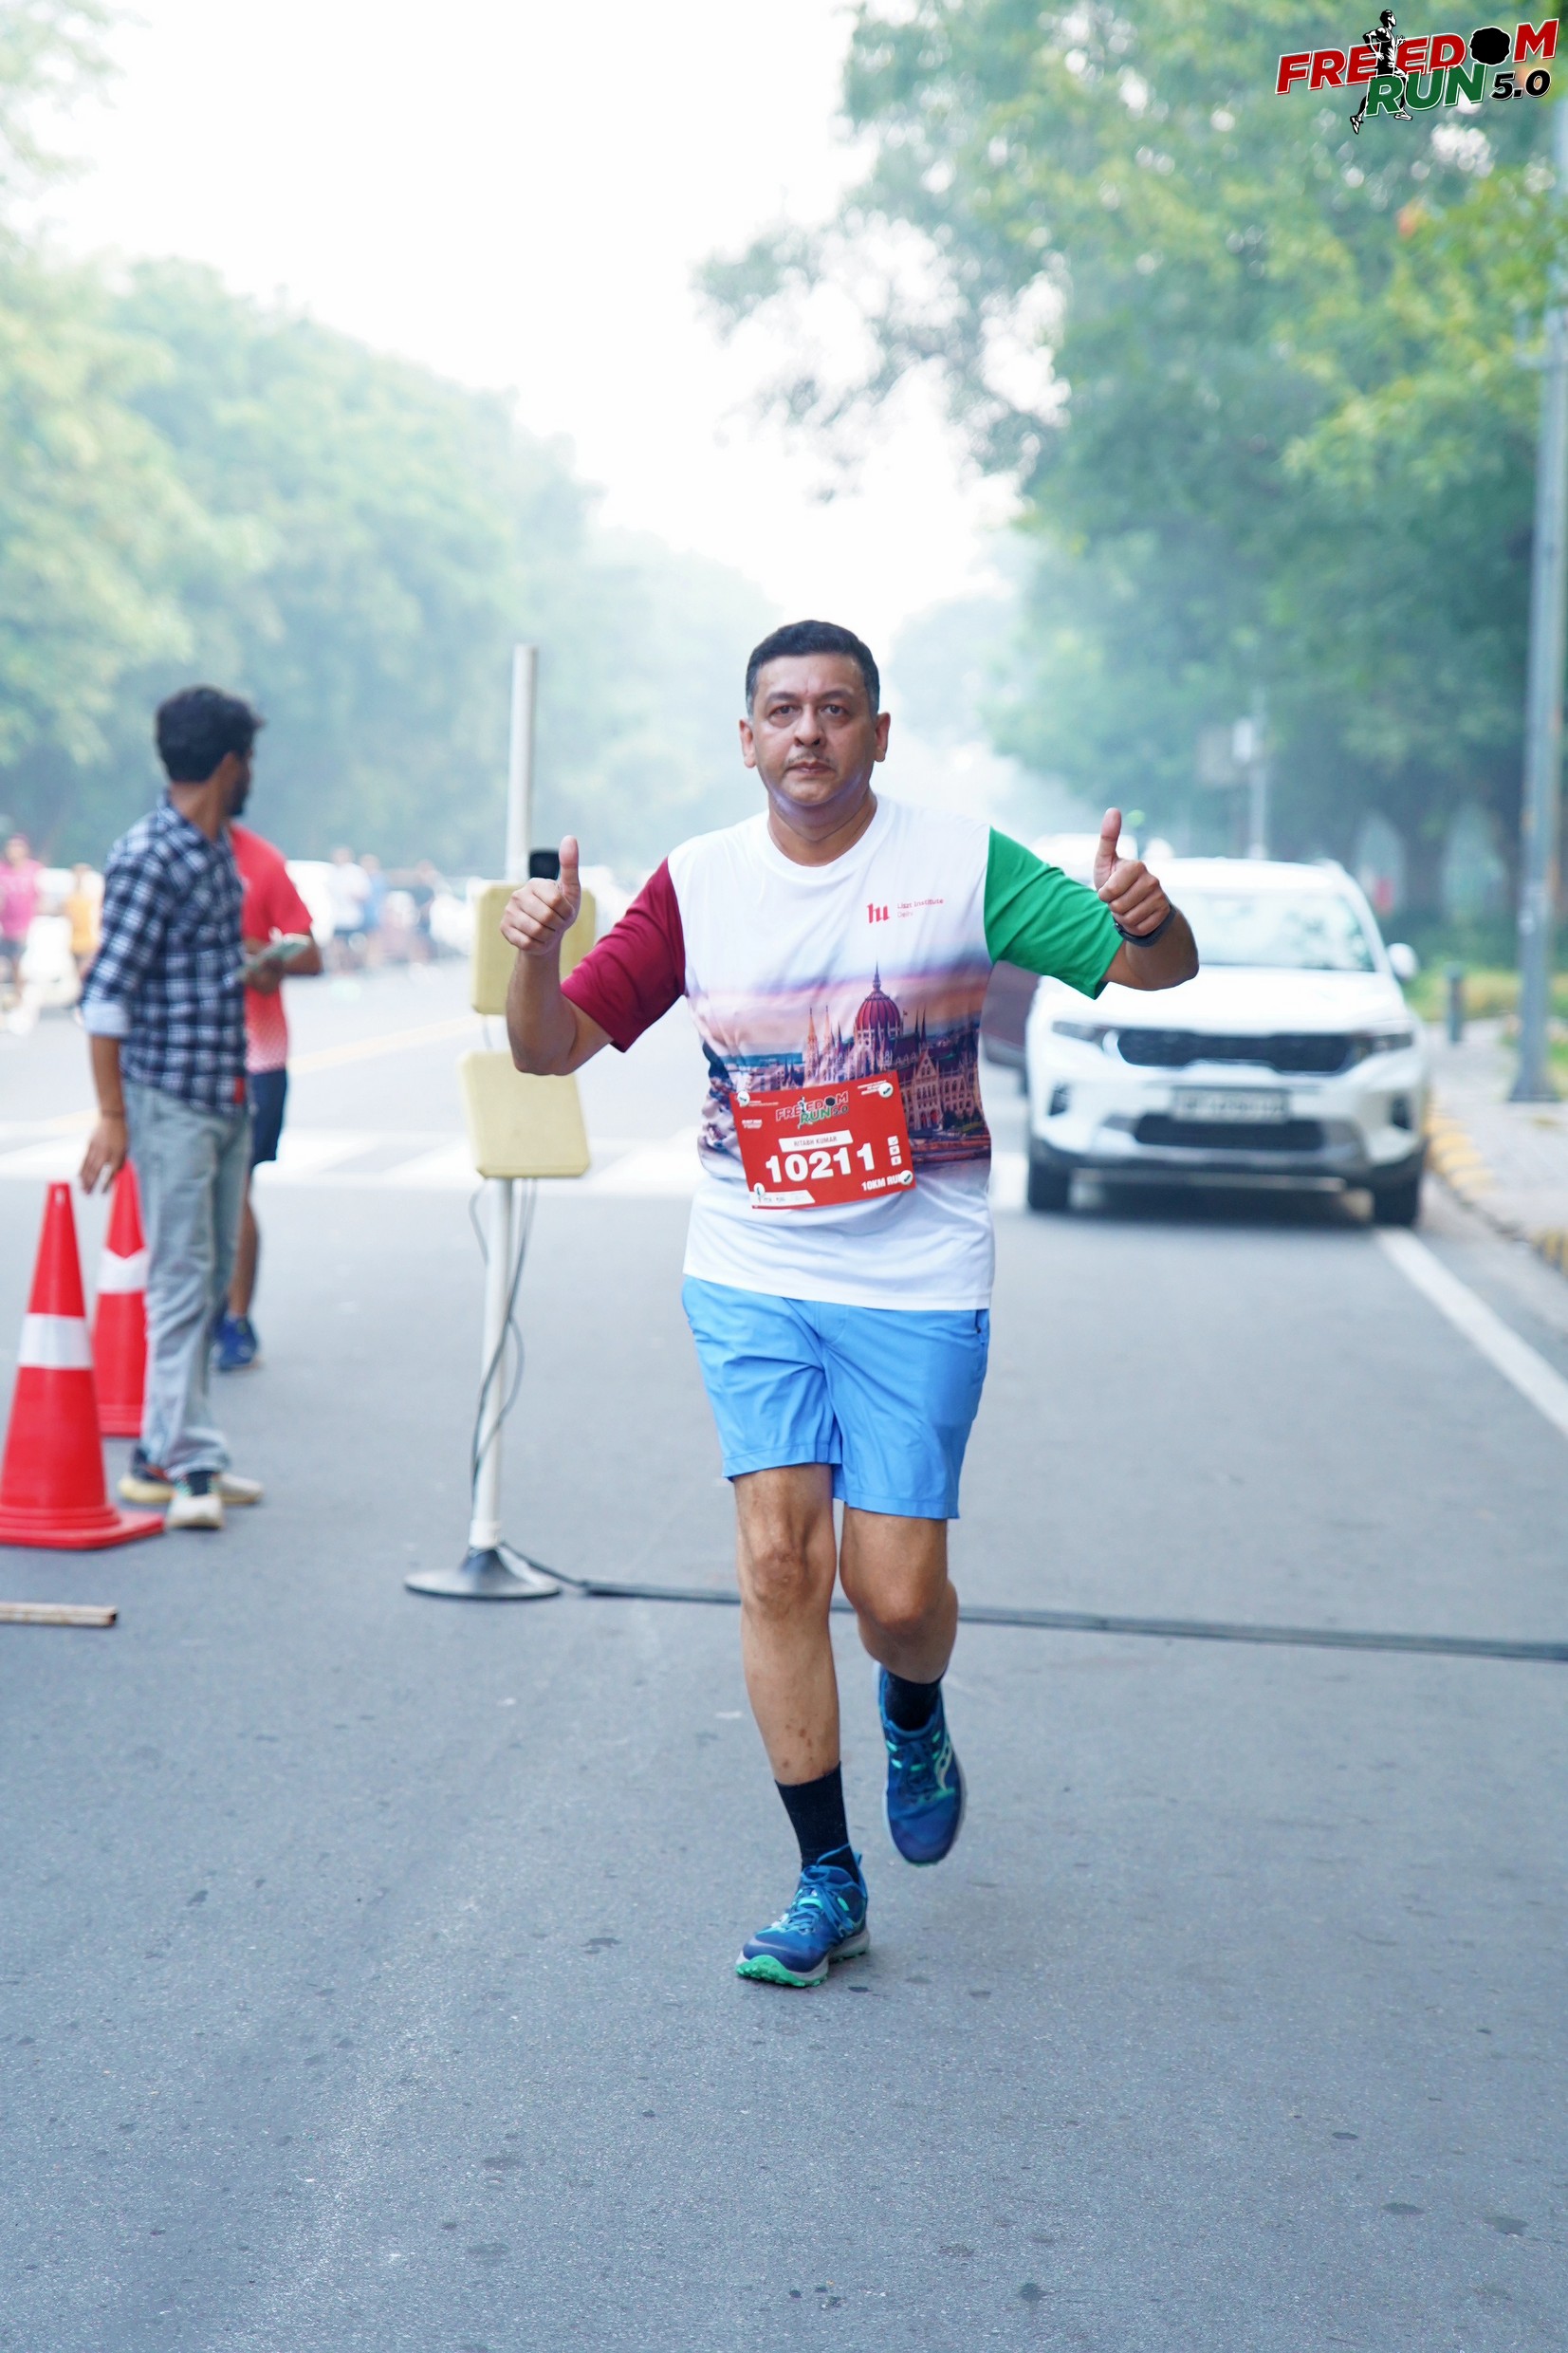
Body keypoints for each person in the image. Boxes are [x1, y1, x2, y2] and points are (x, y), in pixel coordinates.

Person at [502, 619, 1197, 1987]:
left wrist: (1145, 913)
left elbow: (1154, 972)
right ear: (746, 737)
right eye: (782, 710)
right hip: (751, 1267)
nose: (807, 732)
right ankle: (827, 1876)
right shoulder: (698, 883)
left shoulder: (961, 864)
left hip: (916, 1274)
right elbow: (546, 1050)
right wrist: (536, 954)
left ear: (880, 733)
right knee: (776, 1563)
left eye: (834, 709)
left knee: (895, 1593)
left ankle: (915, 1706)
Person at [79, 687, 267, 1533]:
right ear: (228, 766)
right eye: (248, 760)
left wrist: (255, 965)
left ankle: (168, 1452)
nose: (251, 774)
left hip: (221, 1092)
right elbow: (106, 995)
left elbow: (185, 971)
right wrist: (113, 1115)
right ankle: (187, 1461)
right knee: (183, 1279)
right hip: (171, 1101)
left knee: (208, 1273)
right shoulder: (150, 854)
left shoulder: (212, 848)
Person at [212, 805, 323, 1372]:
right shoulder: (163, 858)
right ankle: (201, 1310)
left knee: (235, 1190)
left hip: (257, 1057)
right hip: (184, 1054)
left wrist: (265, 956)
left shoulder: (261, 861)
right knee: (189, 1192)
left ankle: (235, 1319)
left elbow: (310, 951)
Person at [0, 832, 43, 1004]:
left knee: (18, 963)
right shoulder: (2, 870)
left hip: (25, 927)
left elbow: (40, 898)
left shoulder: (34, 870)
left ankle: (20, 998)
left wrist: (33, 925)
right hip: (4, 927)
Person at [64, 863, 102, 977]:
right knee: (79, 975)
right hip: (75, 943)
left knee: (85, 973)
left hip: (89, 943)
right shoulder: (70, 898)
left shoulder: (92, 897)